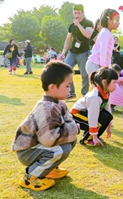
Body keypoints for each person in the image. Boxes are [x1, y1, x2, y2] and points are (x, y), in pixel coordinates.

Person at [11, 61, 79, 191]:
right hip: (27, 151)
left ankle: (49, 169)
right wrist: (73, 128)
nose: (69, 90)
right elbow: (49, 139)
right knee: (61, 149)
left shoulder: (59, 103)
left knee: (71, 139)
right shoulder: (47, 108)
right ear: (53, 87)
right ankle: (30, 177)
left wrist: (72, 129)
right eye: (67, 86)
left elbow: (68, 121)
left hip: (39, 147)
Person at [71, 67, 117, 146]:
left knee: (107, 116)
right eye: (114, 82)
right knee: (97, 122)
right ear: (104, 82)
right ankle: (87, 139)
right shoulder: (95, 97)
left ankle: (94, 137)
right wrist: (95, 136)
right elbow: (93, 117)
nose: (116, 85)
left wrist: (109, 126)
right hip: (76, 115)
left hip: (86, 114)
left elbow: (108, 111)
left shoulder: (106, 93)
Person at [61, 4, 94, 99]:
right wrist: (63, 52)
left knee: (84, 74)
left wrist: (78, 25)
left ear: (83, 13)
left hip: (83, 52)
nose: (77, 15)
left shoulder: (88, 23)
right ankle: (71, 92)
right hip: (72, 52)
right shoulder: (71, 26)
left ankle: (84, 94)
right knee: (65, 71)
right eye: (75, 13)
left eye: (79, 13)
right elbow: (68, 39)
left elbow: (88, 35)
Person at [86, 8, 120, 76]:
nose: (118, 23)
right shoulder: (105, 33)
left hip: (98, 65)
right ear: (109, 21)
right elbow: (103, 51)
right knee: (99, 86)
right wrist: (104, 68)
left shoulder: (107, 33)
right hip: (95, 65)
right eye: (116, 20)